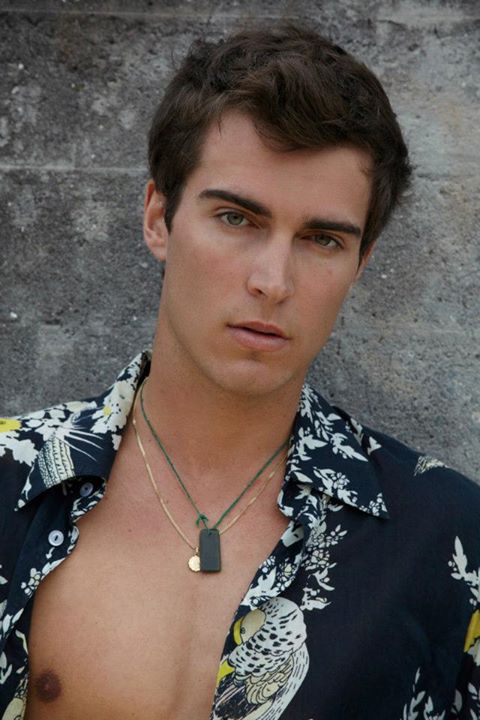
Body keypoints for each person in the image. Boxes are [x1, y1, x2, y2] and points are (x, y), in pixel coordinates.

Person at [0, 23, 479, 720]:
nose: (272, 281)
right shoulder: (11, 478)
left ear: (361, 262)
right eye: (236, 218)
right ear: (158, 218)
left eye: (322, 239)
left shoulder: (446, 536)